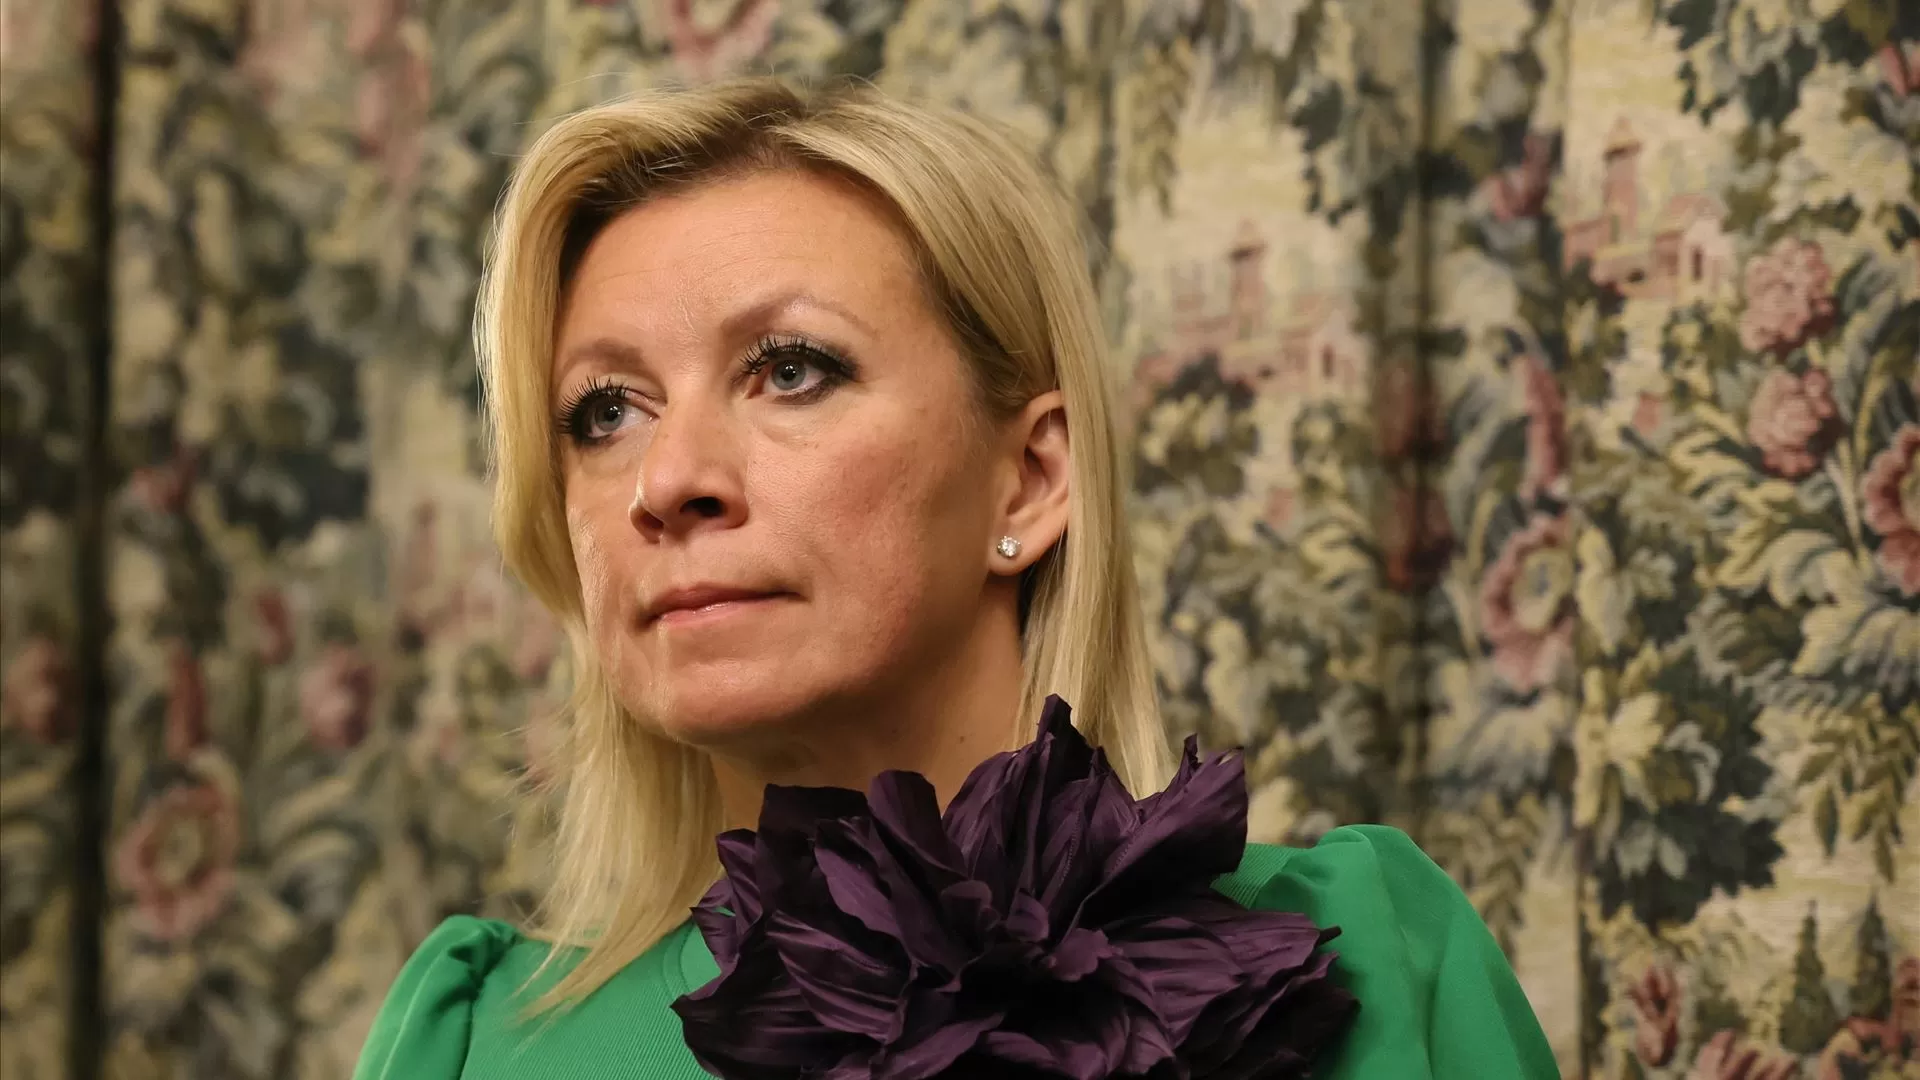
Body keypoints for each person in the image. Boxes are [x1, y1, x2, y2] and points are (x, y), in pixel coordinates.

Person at [353, 76, 1556, 1080]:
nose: (666, 481)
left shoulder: (1371, 960)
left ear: (1029, 480)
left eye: (790, 369)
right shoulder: (470, 1044)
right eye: (605, 411)